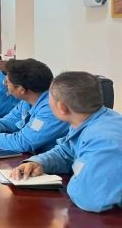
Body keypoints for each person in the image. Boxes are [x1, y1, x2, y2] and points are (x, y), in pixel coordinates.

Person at [10, 72, 122, 213]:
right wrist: (38, 162)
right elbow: (66, 151)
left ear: (62, 107)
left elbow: (90, 199)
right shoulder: (87, 119)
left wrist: (76, 178)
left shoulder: (104, 140)